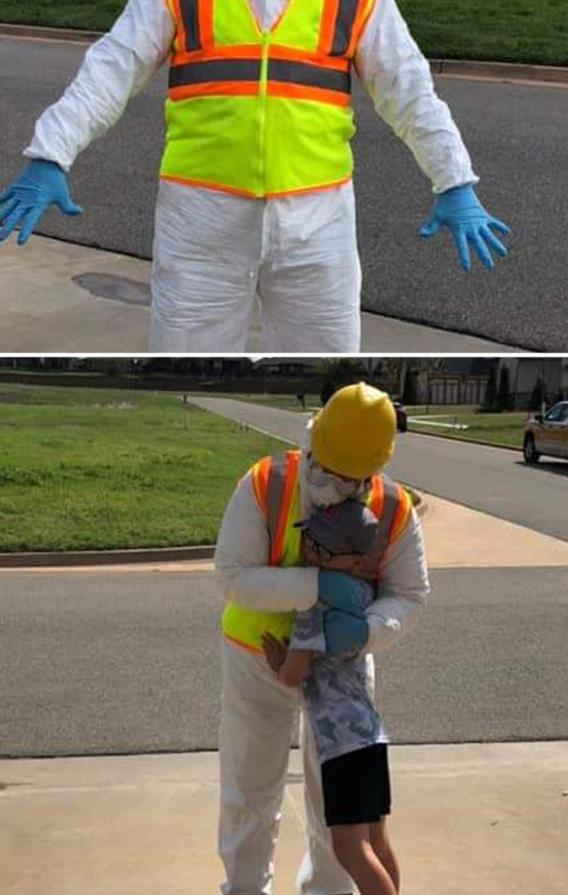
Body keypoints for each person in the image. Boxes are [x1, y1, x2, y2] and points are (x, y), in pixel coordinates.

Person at [0, 0, 510, 353]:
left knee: (324, 362)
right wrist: (51, 151)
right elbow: (111, 68)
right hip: (201, 218)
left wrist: (453, 179)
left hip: (317, 220)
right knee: (186, 359)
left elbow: (408, 89)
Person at [214, 382, 429, 895]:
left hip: (342, 676)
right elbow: (232, 576)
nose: (337, 485)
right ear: (311, 440)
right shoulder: (266, 482)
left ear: (375, 467)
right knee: (249, 789)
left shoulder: (394, 506)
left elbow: (410, 595)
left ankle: (331, 891)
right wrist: (317, 587)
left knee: (338, 808)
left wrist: (365, 632)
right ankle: (245, 889)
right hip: (255, 660)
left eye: (353, 477)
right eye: (329, 470)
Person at [261, 500, 400, 895]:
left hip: (342, 747)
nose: (307, 550)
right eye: (308, 540)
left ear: (355, 561)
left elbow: (293, 674)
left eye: (318, 548)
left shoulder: (314, 609)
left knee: (349, 848)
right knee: (377, 842)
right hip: (373, 738)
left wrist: (277, 660)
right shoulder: (363, 595)